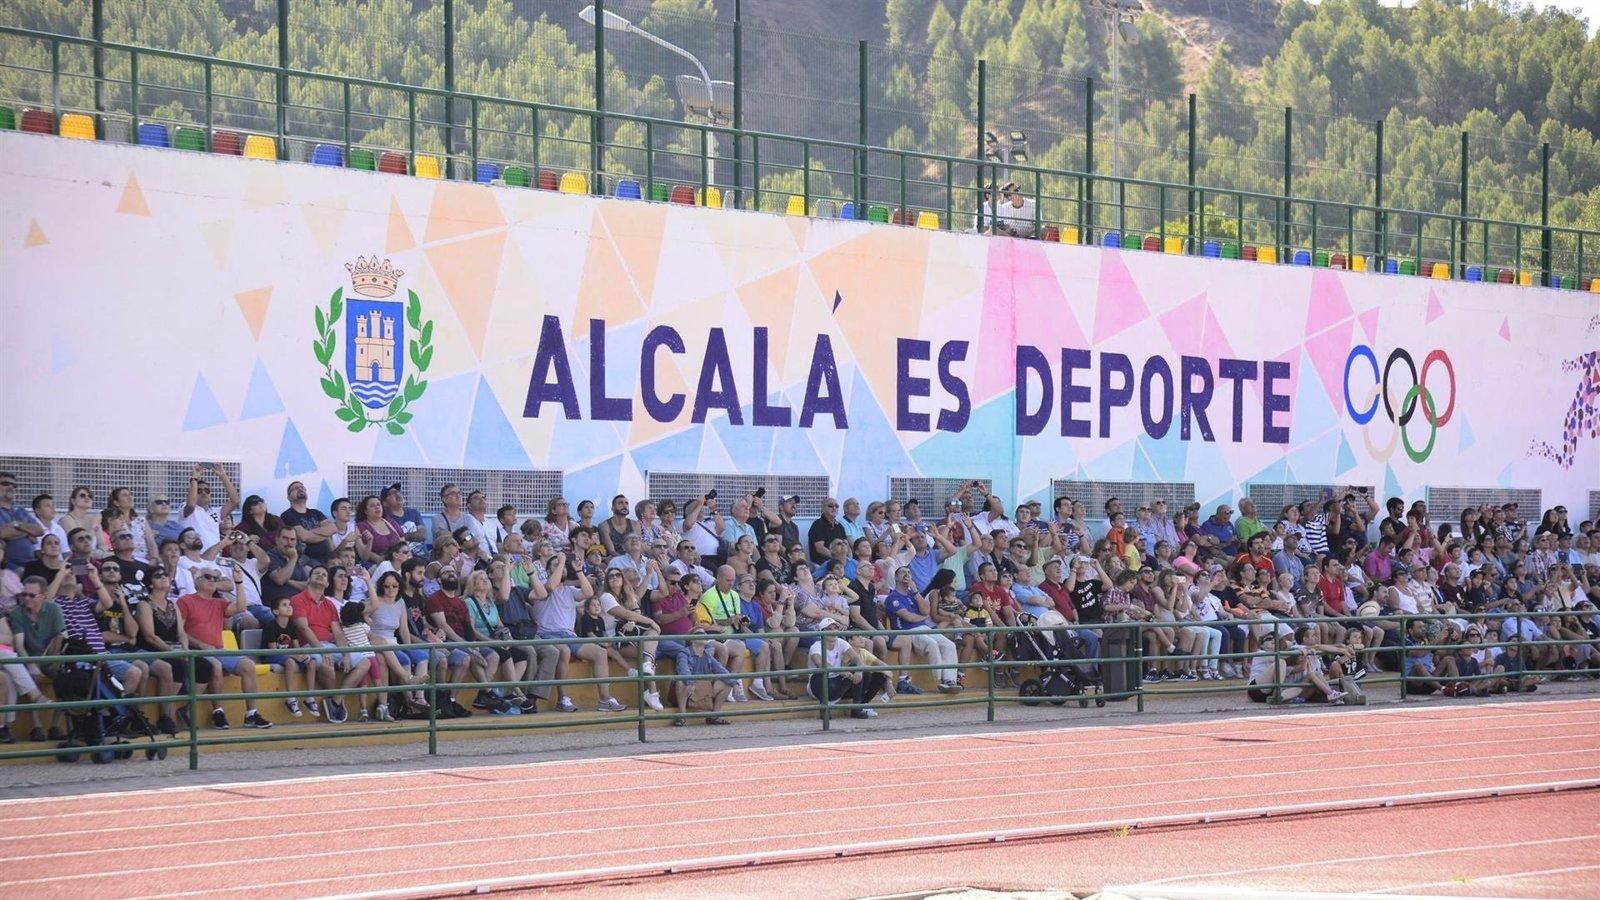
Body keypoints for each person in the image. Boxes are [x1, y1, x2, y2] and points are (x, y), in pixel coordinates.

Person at [177, 565, 272, 729]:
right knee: (215, 665)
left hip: (218, 649)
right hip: (196, 650)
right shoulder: (185, 600)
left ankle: (251, 714)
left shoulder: (219, 602)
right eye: (208, 577)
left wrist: (239, 582)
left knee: (248, 665)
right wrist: (200, 645)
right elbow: (180, 631)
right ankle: (218, 712)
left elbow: (241, 607)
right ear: (197, 580)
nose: (213, 580)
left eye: (216, 578)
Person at [533, 552, 625, 713]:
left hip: (569, 635)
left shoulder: (569, 590)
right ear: (548, 571)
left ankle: (605, 699)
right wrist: (561, 562)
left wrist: (578, 571)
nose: (560, 568)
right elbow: (551, 587)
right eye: (555, 565)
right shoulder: (541, 586)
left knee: (600, 653)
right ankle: (562, 699)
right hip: (547, 635)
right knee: (564, 651)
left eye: (561, 565)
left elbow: (589, 593)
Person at [807, 619, 888, 718]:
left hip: (837, 681)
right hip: (818, 686)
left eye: (835, 628)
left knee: (860, 670)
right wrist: (841, 671)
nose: (833, 631)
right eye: (829, 629)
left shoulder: (841, 642)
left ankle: (857, 708)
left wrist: (858, 671)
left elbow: (857, 660)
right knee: (820, 673)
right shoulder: (815, 647)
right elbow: (820, 663)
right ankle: (824, 708)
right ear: (821, 632)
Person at [670, 629, 732, 726]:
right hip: (688, 690)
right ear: (692, 639)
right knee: (681, 682)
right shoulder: (683, 653)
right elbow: (683, 670)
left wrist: (734, 682)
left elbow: (720, 669)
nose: (703, 635)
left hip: (701, 688)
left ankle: (714, 716)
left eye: (704, 633)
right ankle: (682, 716)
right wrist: (690, 682)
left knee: (727, 683)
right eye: (699, 633)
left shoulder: (707, 655)